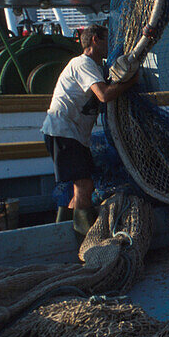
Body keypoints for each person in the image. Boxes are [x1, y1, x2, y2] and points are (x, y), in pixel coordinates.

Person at [41, 24, 137, 236]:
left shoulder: (94, 67)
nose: (109, 45)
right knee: (84, 184)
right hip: (64, 131)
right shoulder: (83, 63)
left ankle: (60, 233)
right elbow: (103, 95)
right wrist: (129, 83)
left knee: (82, 185)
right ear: (95, 40)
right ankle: (87, 239)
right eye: (106, 39)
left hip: (71, 134)